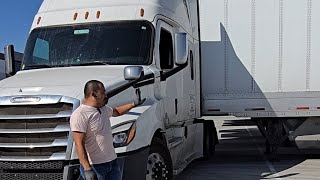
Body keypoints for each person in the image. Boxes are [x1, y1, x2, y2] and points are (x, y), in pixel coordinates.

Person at [70, 80, 145, 180]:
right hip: (95, 166)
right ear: (93, 94)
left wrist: (133, 104)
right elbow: (79, 143)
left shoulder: (103, 109)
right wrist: (87, 169)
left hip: (112, 163)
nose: (106, 95)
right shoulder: (80, 115)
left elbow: (116, 111)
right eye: (103, 92)